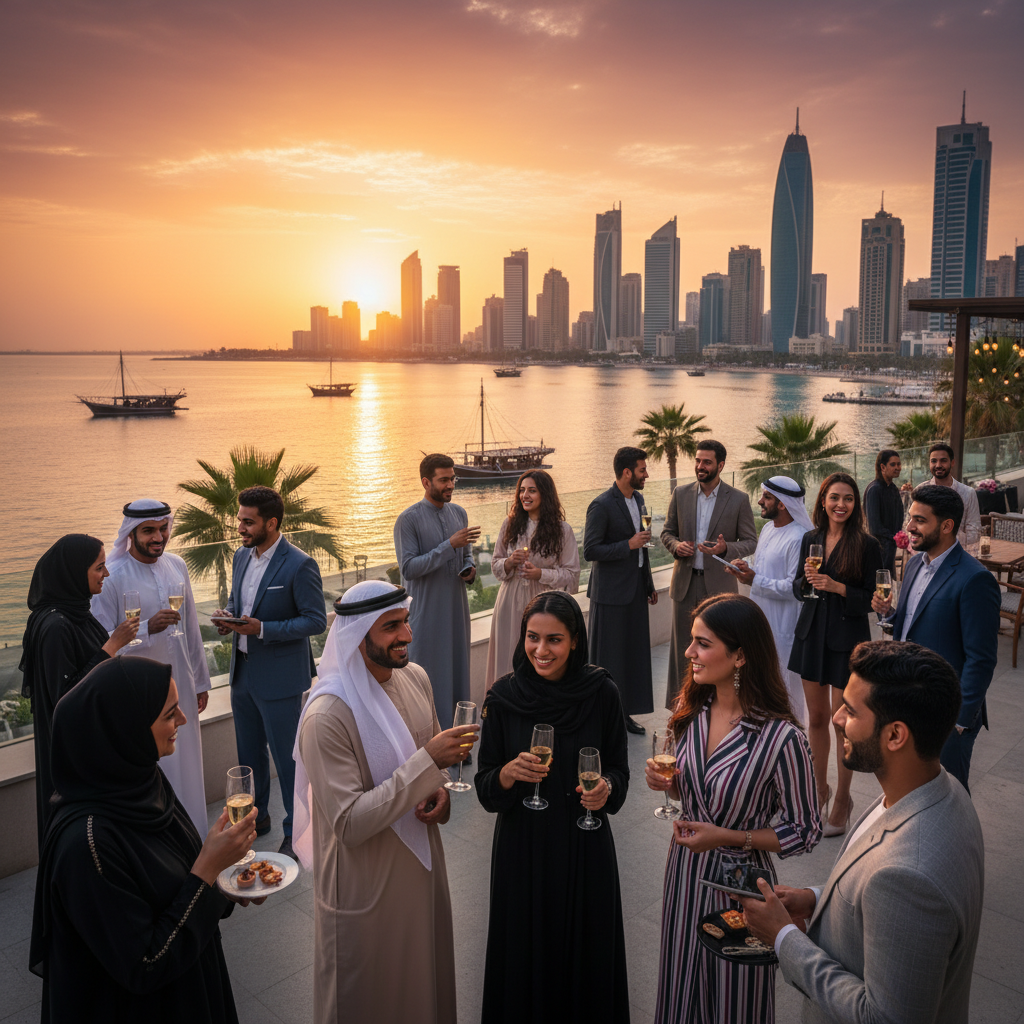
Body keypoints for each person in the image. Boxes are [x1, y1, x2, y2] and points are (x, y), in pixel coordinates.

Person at [741, 641, 985, 1024]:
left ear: (895, 735)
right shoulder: (941, 788)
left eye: (851, 711)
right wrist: (817, 898)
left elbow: (883, 1017)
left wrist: (784, 937)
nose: (836, 718)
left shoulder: (909, 875)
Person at [29, 656, 259, 1023]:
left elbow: (179, 879)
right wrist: (209, 869)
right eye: (170, 714)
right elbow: (145, 964)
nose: (183, 720)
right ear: (126, 728)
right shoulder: (87, 844)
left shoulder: (142, 782)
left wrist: (226, 880)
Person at [293, 580, 472, 1024]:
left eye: (405, 621)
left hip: (422, 873)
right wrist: (428, 764)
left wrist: (441, 794)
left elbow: (435, 770)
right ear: (357, 634)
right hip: (364, 886)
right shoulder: (327, 716)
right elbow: (349, 823)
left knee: (421, 990)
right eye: (391, 626)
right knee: (367, 999)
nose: (407, 635)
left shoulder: (416, 678)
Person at [645, 594, 820, 1024]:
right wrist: (669, 786)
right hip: (685, 875)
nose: (688, 653)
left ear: (740, 655)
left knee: (733, 1002)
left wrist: (729, 837)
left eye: (702, 644)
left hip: (742, 888)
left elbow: (806, 829)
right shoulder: (691, 711)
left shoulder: (782, 738)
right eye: (691, 641)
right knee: (680, 984)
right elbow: (691, 794)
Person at [476, 592, 631, 1023]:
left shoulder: (602, 693)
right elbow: (486, 785)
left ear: (576, 641)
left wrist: (605, 790)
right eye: (532, 638)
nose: (541, 651)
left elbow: (619, 770)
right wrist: (508, 773)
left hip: (586, 849)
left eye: (554, 640)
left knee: (587, 958)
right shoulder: (504, 697)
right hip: (523, 853)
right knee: (525, 962)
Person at [214, 485, 327, 859]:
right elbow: (238, 602)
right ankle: (254, 819)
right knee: (248, 755)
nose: (241, 529)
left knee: (288, 759)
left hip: (279, 679)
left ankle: (297, 831)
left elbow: (314, 621)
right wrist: (228, 620)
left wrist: (262, 629)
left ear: (272, 523)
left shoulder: (299, 564)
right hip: (242, 672)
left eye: (248, 522)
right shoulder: (241, 557)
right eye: (240, 521)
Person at [91, 499, 212, 834]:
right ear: (132, 533)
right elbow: (102, 643)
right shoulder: (112, 577)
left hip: (181, 686)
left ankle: (196, 841)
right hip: (137, 696)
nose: (158, 537)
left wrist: (200, 681)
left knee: (187, 765)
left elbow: (190, 630)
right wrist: (147, 628)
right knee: (155, 769)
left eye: (163, 529)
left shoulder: (177, 565)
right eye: (149, 531)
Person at [872, 485, 1000, 793]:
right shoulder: (915, 563)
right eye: (910, 518)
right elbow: (910, 624)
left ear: (946, 526)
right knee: (909, 791)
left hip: (946, 715)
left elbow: (981, 659)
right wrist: (888, 615)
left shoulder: (975, 579)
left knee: (949, 797)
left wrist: (958, 722)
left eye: (919, 520)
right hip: (907, 703)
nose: (910, 528)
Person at [20, 534, 138, 847]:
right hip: (76, 755)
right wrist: (112, 646)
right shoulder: (56, 626)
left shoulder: (77, 612)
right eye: (100, 568)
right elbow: (66, 697)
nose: (107, 574)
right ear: (75, 571)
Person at [789, 472, 883, 838]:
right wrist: (807, 584)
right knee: (815, 718)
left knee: (842, 722)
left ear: (855, 503)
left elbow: (875, 599)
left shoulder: (867, 544)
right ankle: (818, 789)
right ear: (823, 501)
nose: (840, 504)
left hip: (847, 639)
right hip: (811, 635)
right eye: (834, 498)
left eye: (847, 498)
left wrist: (837, 586)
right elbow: (800, 586)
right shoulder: (810, 539)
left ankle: (843, 797)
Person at [661, 440, 757, 710]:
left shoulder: (738, 499)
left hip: (720, 589)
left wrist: (727, 548)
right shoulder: (680, 494)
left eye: (706, 462)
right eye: (698, 461)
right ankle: (679, 709)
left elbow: (751, 540)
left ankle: (714, 707)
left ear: (721, 465)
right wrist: (675, 546)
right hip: (684, 585)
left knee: (719, 651)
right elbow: (667, 532)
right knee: (683, 650)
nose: (700, 467)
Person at [395, 453, 479, 729]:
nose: (450, 485)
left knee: (457, 676)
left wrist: (469, 568)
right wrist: (449, 546)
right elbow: (408, 568)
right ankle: (432, 747)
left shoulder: (459, 513)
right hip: (426, 616)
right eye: (444, 480)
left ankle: (460, 743)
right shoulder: (408, 520)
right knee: (427, 679)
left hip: (456, 611)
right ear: (425, 482)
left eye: (452, 479)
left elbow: (466, 555)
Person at [728, 476, 814, 728]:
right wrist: (746, 568)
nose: (760, 501)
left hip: (784, 626)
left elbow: (795, 587)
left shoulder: (799, 537)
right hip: (760, 620)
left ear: (783, 504)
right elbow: (764, 568)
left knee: (786, 689)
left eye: (766, 497)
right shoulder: (767, 529)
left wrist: (756, 579)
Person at [583, 445, 657, 734]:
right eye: (642, 470)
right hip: (610, 595)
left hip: (636, 591)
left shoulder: (638, 499)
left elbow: (644, 546)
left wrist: (648, 584)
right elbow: (590, 550)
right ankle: (602, 717)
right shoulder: (601, 505)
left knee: (632, 657)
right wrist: (628, 544)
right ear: (627, 472)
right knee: (609, 660)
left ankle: (624, 713)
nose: (646, 475)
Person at [485, 470, 580, 689]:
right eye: (522, 490)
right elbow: (495, 566)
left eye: (532, 491)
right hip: (509, 603)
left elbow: (572, 576)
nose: (525, 495)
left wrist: (540, 574)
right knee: (508, 660)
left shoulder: (562, 531)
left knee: (540, 658)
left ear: (545, 495)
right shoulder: (509, 525)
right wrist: (509, 562)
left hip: (544, 606)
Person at [926, 442, 982, 553]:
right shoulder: (921, 491)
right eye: (934, 461)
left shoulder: (968, 493)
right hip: (927, 556)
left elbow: (975, 533)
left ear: (952, 463)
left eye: (943, 460)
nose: (938, 465)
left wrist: (944, 538)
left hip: (957, 556)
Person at [863, 449, 904, 573]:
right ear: (882, 467)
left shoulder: (893, 489)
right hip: (878, 552)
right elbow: (874, 527)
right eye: (893, 464)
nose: (897, 467)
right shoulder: (874, 490)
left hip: (890, 549)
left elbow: (900, 516)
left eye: (899, 464)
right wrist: (895, 537)